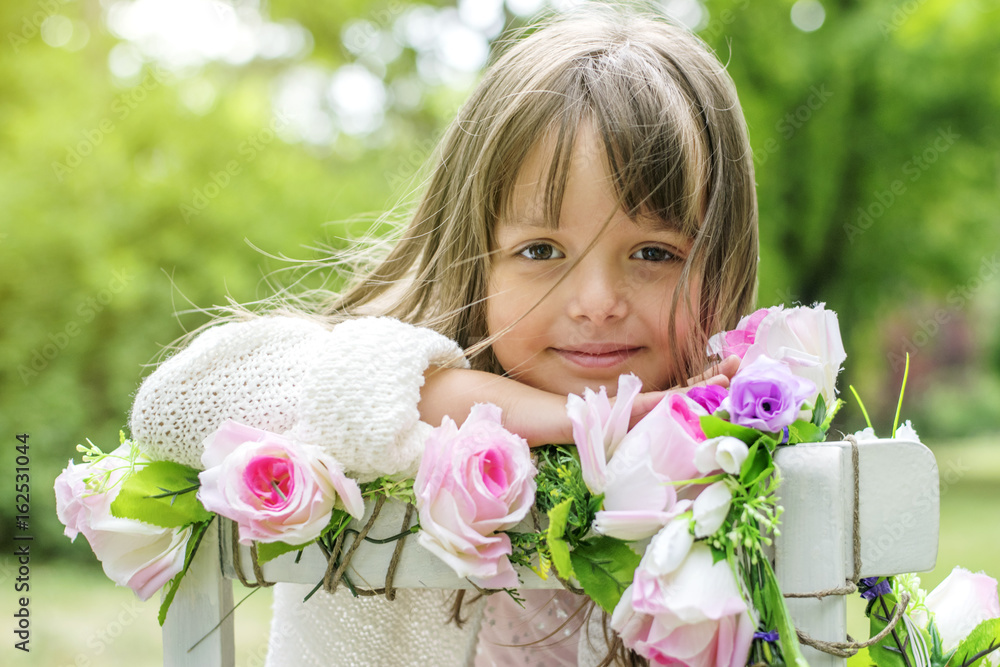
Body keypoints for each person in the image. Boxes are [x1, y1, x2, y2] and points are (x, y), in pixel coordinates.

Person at [129, 5, 758, 666]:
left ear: (723, 258)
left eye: (654, 253)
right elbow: (171, 405)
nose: (597, 303)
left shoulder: (748, 457)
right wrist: (560, 417)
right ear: (475, 259)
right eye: (543, 250)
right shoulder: (398, 392)